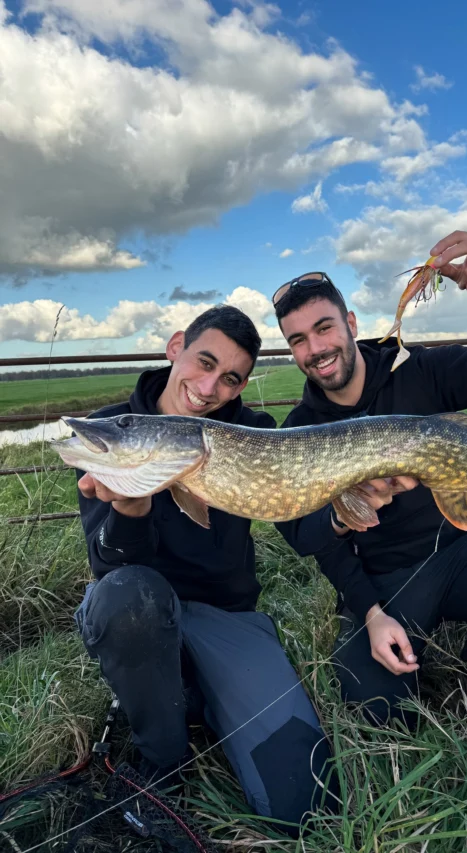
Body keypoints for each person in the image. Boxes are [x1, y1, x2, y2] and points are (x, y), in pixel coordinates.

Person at [273, 231, 467, 727]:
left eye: (324, 327)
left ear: (350, 324)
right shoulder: (299, 432)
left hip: (462, 550)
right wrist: (371, 611)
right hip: (384, 581)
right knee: (374, 705)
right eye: (298, 340)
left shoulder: (419, 371)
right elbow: (307, 539)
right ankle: (397, 647)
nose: (316, 348)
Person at [72, 304, 336, 837]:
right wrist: (130, 507)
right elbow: (109, 564)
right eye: (203, 362)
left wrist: (348, 509)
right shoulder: (115, 429)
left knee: (304, 804)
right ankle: (163, 762)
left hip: (226, 616)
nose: (210, 386)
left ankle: (193, 694)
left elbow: (302, 532)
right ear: (176, 348)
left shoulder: (253, 432)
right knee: (127, 598)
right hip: (140, 608)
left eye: (230, 378)